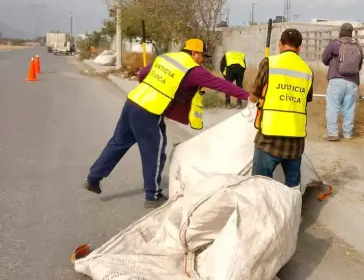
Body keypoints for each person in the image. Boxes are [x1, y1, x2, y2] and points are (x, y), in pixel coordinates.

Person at [83, 38, 250, 208]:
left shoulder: (166, 58)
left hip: (133, 101)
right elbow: (221, 85)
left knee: (118, 143)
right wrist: (248, 96)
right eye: (202, 56)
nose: (203, 60)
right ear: (195, 53)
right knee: (153, 154)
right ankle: (152, 196)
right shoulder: (194, 70)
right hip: (150, 111)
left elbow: (142, 74)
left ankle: (93, 178)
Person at [249, 29, 313, 190]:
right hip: (295, 140)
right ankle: (291, 213)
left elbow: (255, 94)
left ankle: (262, 214)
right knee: (292, 187)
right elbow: (307, 99)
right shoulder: (307, 70)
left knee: (260, 185)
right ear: (299, 48)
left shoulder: (269, 63)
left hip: (269, 137)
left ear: (280, 44)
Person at [321, 23, 363, 141]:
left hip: (336, 80)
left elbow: (324, 59)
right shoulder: (358, 46)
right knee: (349, 109)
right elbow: (359, 65)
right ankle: (347, 134)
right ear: (351, 32)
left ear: (341, 31)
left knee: (333, 107)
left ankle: (333, 134)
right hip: (353, 82)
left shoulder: (335, 44)